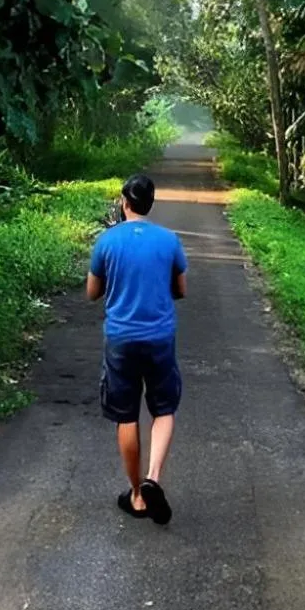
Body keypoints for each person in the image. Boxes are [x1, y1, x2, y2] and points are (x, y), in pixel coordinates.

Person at [86, 172, 188, 525]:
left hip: (121, 339)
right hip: (160, 338)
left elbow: (92, 292)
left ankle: (137, 496)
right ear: (149, 204)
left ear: (124, 202)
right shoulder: (169, 240)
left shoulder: (107, 241)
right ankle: (153, 478)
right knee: (164, 408)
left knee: (126, 415)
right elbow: (181, 290)